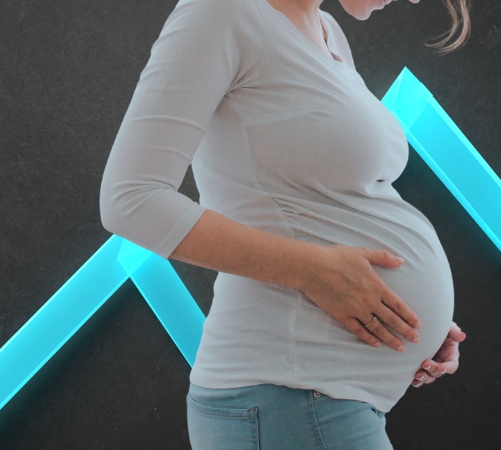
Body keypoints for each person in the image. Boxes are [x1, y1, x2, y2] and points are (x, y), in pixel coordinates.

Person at [99, 0, 470, 447]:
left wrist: (405, 319)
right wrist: (313, 270)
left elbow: (323, 198)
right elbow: (130, 199)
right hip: (287, 396)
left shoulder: (328, 30)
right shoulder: (221, 13)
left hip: (320, 398)